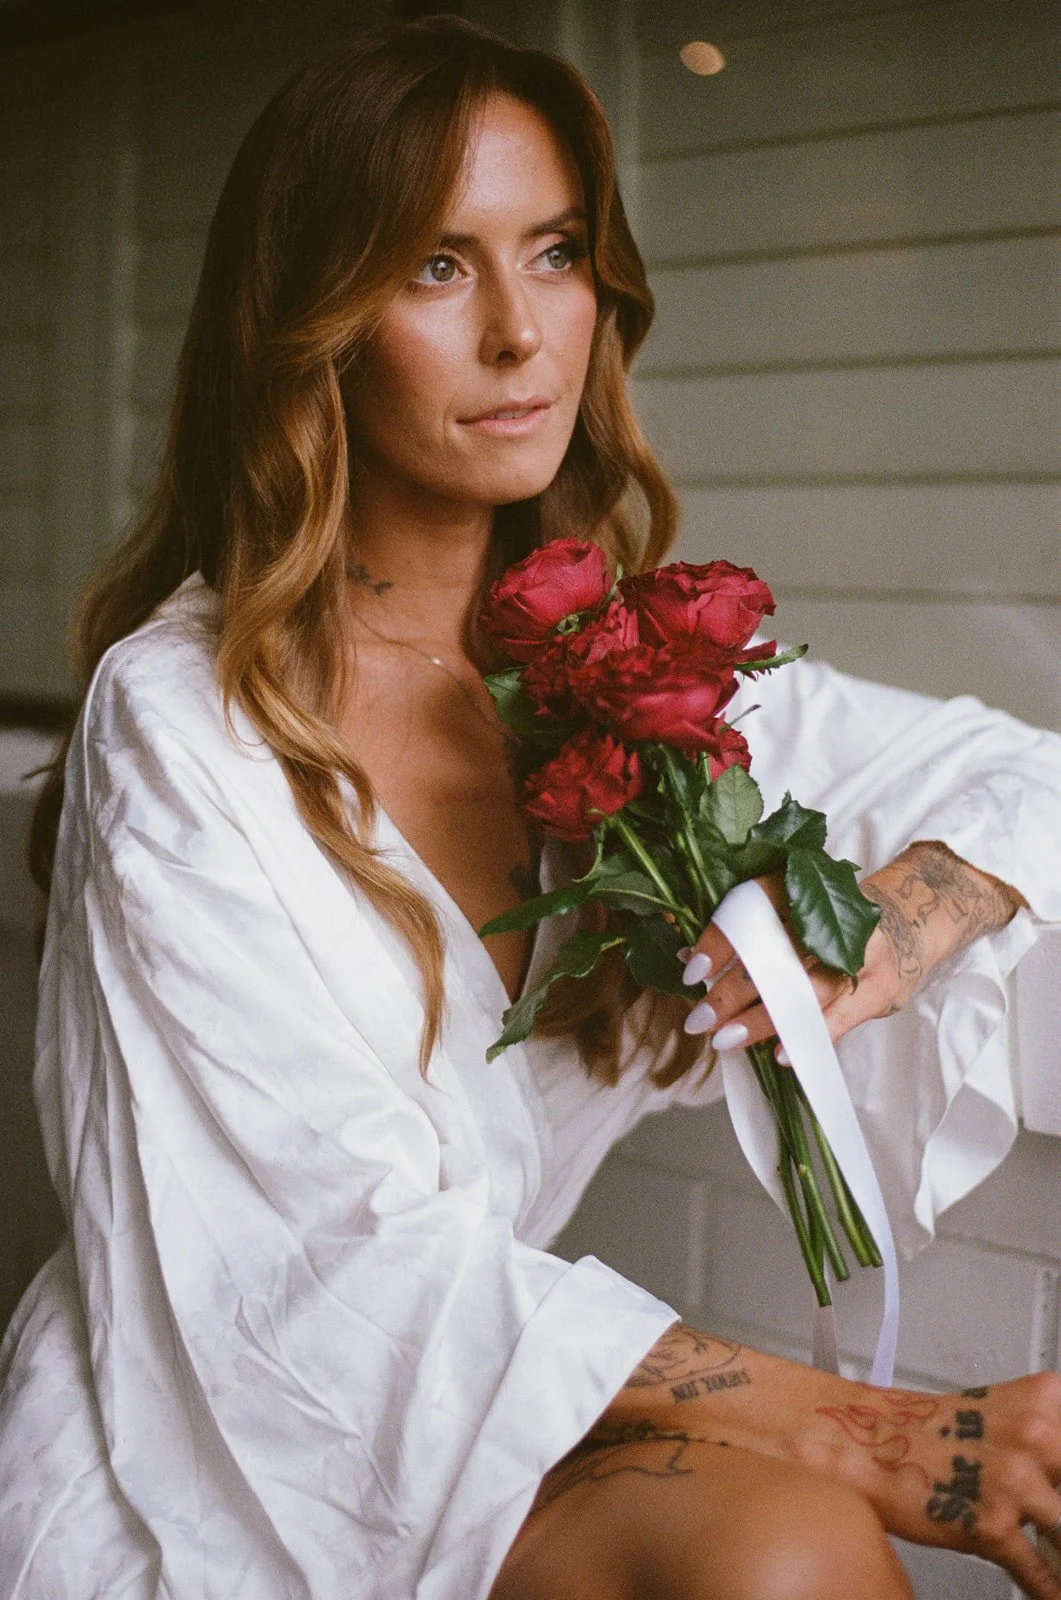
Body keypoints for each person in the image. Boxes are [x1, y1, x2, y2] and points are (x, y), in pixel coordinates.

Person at [1, 14, 1059, 1600]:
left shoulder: (616, 662)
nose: (519, 332)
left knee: (791, 1552)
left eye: (553, 251)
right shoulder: (184, 721)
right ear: (314, 321)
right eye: (436, 267)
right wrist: (895, 1433)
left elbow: (1023, 774)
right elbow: (335, 1269)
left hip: (482, 1398)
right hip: (215, 1449)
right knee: (799, 1540)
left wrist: (889, 929)